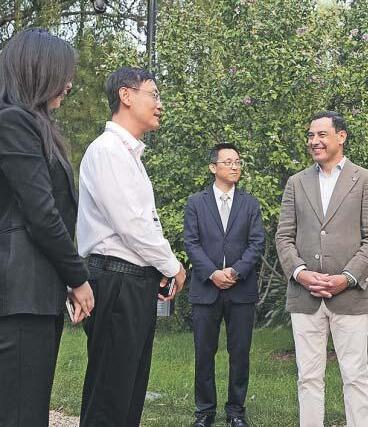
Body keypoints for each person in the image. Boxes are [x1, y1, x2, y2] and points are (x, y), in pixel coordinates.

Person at [77, 67, 186, 427]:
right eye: (153, 94)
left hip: (134, 282)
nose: (160, 104)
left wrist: (158, 268)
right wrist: (172, 265)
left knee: (128, 396)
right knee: (110, 398)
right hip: (116, 282)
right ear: (126, 95)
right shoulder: (108, 150)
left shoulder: (129, 155)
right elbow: (132, 225)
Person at [0, 28, 94, 427]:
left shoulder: (31, 124)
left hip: (34, 293)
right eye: (63, 73)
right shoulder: (14, 121)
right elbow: (42, 214)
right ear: (38, 71)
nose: (69, 84)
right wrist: (78, 278)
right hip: (22, 293)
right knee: (22, 415)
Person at [275, 111, 368, 427]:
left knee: (355, 376)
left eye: (321, 134)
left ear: (341, 136)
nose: (314, 141)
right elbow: (283, 236)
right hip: (304, 297)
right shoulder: (296, 182)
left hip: (350, 297)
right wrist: (300, 273)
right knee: (308, 377)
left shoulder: (365, 180)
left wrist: (346, 279)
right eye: (310, 135)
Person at [184, 143, 265, 427]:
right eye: (228, 161)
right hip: (206, 289)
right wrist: (212, 273)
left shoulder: (250, 204)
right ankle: (204, 411)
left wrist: (235, 271)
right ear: (213, 167)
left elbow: (257, 243)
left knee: (240, 353)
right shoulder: (196, 202)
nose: (234, 166)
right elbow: (191, 242)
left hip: (241, 290)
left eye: (237, 162)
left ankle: (236, 412)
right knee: (204, 353)